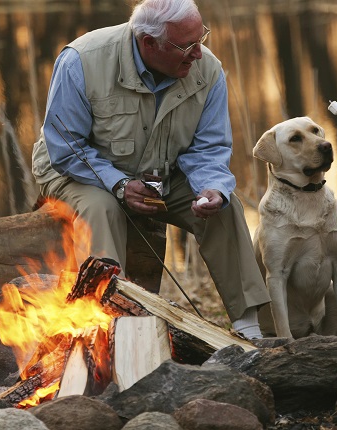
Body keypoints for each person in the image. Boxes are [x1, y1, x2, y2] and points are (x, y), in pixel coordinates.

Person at [31, 0, 270, 339]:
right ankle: (107, 325)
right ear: (149, 42)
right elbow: (66, 148)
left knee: (222, 208)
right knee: (102, 207)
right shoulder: (82, 61)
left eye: (201, 38)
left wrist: (212, 187)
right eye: (187, 45)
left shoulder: (209, 71)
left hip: (161, 175)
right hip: (78, 171)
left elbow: (209, 149)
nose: (198, 53)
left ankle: (249, 328)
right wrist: (119, 185)